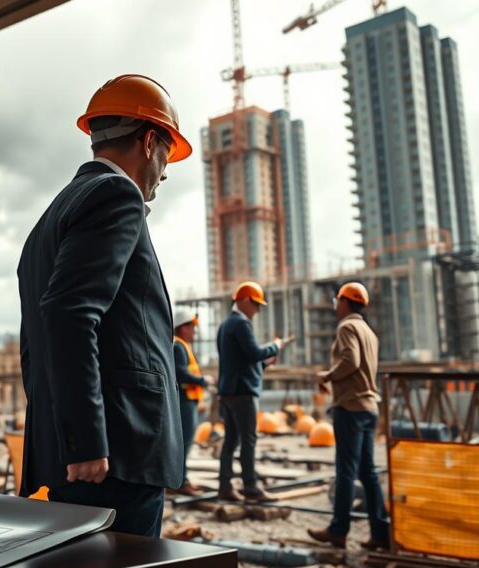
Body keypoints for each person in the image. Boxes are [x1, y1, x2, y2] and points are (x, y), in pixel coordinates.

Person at [16, 74, 191, 537]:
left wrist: (61, 435)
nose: (166, 170)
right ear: (151, 140)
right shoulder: (117, 196)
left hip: (78, 457)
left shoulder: (49, 218)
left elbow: (40, 339)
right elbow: (68, 314)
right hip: (114, 458)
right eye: (168, 154)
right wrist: (86, 440)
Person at [307, 282, 390, 550]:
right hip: (369, 408)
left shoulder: (347, 327)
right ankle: (380, 532)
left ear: (345, 302)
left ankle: (338, 531)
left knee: (345, 471)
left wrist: (326, 376)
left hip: (350, 408)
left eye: (337, 300)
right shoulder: (369, 331)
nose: (335, 305)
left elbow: (350, 360)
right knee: (368, 473)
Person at [216, 282, 291, 503]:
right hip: (243, 394)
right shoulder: (241, 324)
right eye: (257, 305)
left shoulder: (225, 325)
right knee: (248, 440)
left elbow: (240, 361)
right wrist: (275, 346)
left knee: (230, 441)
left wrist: (264, 363)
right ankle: (250, 487)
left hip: (229, 392)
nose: (258, 311)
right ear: (246, 301)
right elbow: (253, 353)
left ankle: (225, 486)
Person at [171, 308, 214, 497]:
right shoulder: (178, 346)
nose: (194, 331)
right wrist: (203, 380)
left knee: (186, 442)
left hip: (189, 400)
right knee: (185, 443)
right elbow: (181, 373)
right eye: (191, 327)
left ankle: (181, 480)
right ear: (182, 328)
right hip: (184, 400)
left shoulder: (183, 346)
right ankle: (180, 482)